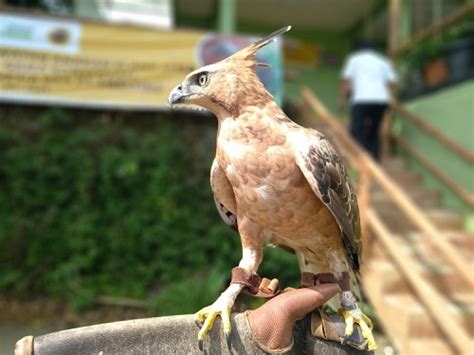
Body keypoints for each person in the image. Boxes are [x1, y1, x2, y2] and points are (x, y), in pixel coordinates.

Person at [339, 40, 397, 160]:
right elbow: (392, 81)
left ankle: (360, 157)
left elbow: (346, 81)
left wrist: (342, 101)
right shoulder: (383, 61)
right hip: (381, 100)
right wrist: (391, 97)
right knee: (374, 130)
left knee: (356, 129)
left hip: (361, 99)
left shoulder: (354, 59)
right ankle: (374, 158)